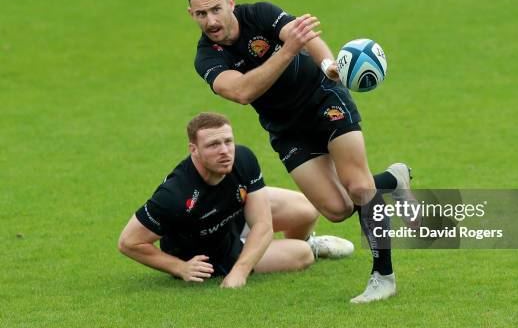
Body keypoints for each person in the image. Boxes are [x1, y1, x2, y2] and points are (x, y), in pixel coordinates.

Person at [187, 0, 413, 302]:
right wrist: (287, 51)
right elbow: (241, 91)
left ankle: (383, 276)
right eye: (201, 14)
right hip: (286, 128)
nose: (210, 20)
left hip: (323, 99)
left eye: (216, 9)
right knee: (337, 209)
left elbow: (305, 37)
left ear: (231, 2)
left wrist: (327, 64)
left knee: (361, 187)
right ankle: (392, 179)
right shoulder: (207, 57)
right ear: (191, 14)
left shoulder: (260, 14)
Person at [118, 112, 354, 288]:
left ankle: (304, 239)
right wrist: (180, 267)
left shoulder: (242, 158)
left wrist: (241, 272)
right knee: (302, 254)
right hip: (214, 252)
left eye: (227, 141)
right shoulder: (175, 195)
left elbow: (262, 224)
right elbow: (129, 242)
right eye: (213, 145)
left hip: (233, 214)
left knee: (307, 209)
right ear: (193, 150)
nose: (225, 151)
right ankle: (308, 247)